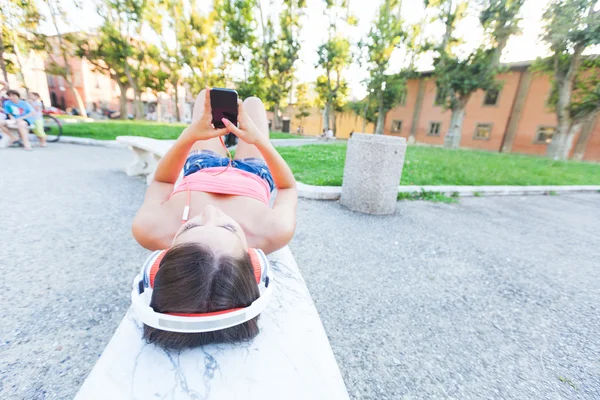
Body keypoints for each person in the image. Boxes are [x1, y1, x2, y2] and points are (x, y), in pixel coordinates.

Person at [131, 88, 297, 349]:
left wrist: (191, 135)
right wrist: (260, 142)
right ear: (253, 260)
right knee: (253, 104)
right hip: (254, 171)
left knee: (204, 98)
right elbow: (287, 188)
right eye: (229, 227)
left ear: (162, 258)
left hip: (200, 165)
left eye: (192, 225)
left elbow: (163, 181)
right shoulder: (274, 230)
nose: (210, 212)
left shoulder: (150, 227)